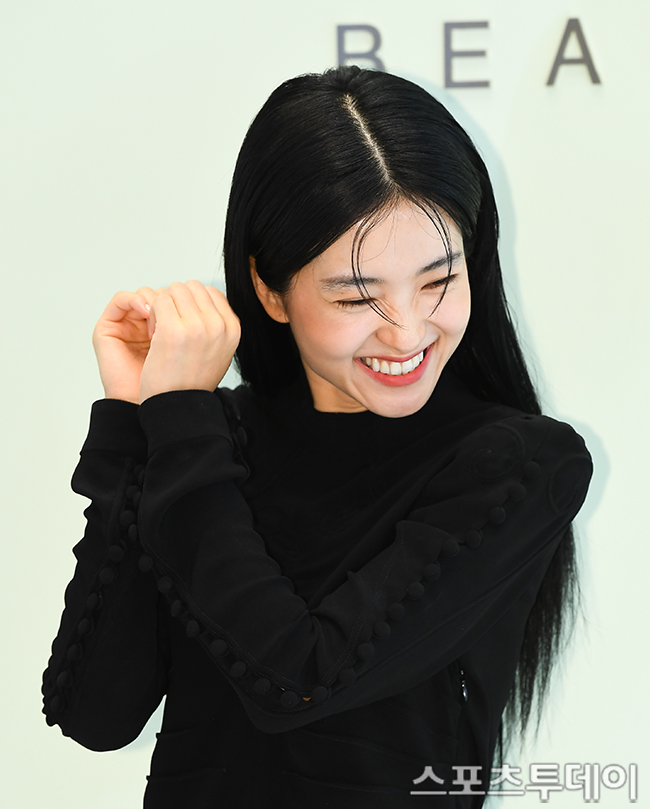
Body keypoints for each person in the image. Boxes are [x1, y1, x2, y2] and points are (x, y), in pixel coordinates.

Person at [42, 66, 592, 808]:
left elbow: (301, 681)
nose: (407, 332)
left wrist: (180, 426)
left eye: (438, 280)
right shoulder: (204, 443)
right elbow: (94, 714)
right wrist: (139, 420)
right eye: (358, 296)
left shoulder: (519, 465)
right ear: (270, 289)